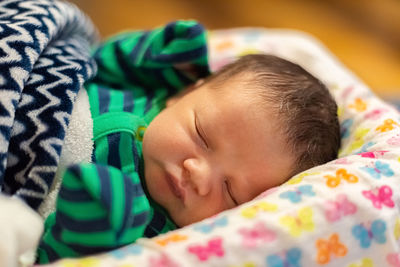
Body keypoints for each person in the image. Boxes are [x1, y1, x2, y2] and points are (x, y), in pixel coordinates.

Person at [37, 21, 340, 263]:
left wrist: (94, 226)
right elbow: (97, 61)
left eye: (230, 191)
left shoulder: (149, 225)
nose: (197, 173)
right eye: (201, 135)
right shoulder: (150, 90)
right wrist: (153, 54)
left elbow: (45, 255)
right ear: (182, 94)